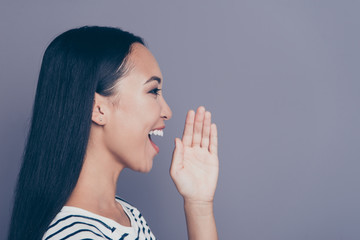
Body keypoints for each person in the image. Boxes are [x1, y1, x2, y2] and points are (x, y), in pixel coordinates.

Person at [8, 26, 219, 240]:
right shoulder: (76, 236)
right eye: (153, 91)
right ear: (97, 108)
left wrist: (198, 204)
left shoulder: (128, 216)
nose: (167, 112)